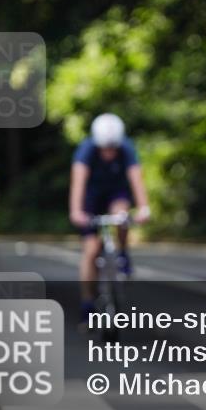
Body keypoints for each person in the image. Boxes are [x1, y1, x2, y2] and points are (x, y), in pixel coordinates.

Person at [69, 113, 150, 324]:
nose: (109, 153)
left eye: (113, 148)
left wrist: (143, 207)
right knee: (91, 251)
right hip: (92, 199)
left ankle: (122, 252)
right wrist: (76, 211)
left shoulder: (126, 148)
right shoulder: (86, 150)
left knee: (121, 214)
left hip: (116, 193)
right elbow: (78, 183)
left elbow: (136, 179)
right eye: (105, 148)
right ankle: (87, 303)